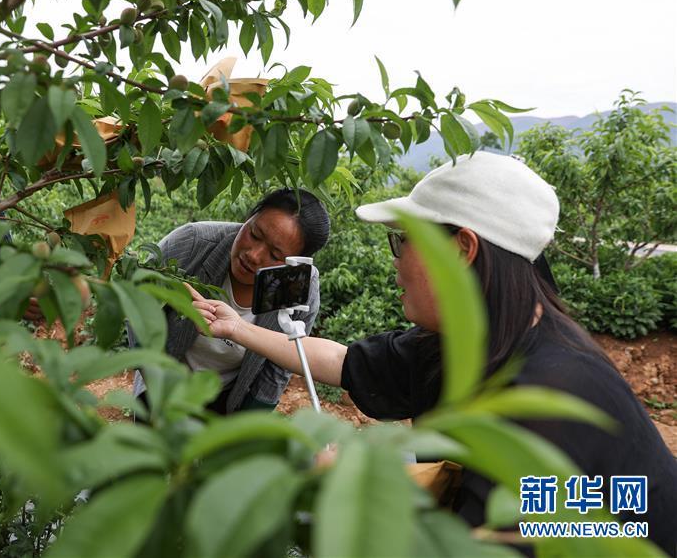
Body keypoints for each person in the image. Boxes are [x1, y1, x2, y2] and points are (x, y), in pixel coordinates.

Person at [190, 152, 677, 554]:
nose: (397, 261)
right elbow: (343, 362)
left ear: (461, 249)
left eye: (404, 241)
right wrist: (237, 327)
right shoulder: (475, 344)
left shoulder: (551, 397)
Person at [134, 188, 330, 414]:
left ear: (297, 264)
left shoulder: (300, 288)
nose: (253, 255)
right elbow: (139, 299)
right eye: (255, 234)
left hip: (228, 397)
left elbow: (280, 365)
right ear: (248, 218)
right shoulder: (194, 243)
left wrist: (245, 423)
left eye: (275, 255)